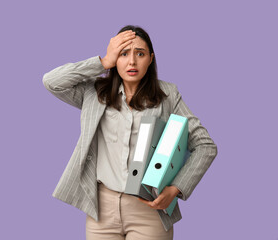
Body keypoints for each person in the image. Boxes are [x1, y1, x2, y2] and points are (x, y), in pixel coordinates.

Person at [42, 25, 218, 240]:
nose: (132, 62)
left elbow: (205, 145)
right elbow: (52, 82)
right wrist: (103, 62)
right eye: (124, 54)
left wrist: (176, 189)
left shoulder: (168, 95)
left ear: (151, 59)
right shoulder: (95, 92)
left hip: (149, 209)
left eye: (140, 54)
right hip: (101, 211)